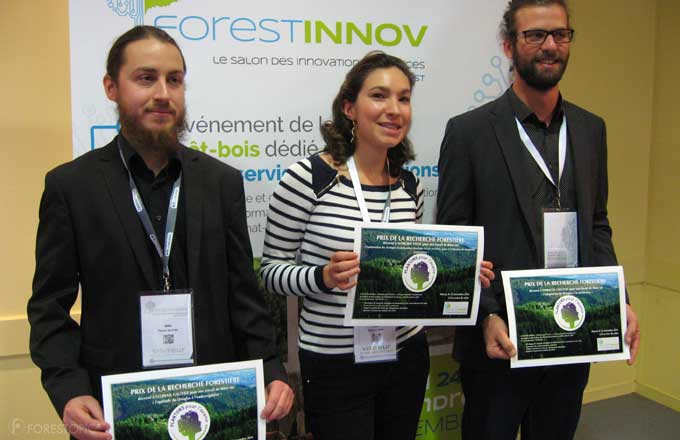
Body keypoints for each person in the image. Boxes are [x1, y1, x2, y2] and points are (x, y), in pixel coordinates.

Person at [27, 26, 293, 440]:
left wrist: (271, 369)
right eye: (146, 78)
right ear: (111, 88)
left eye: (175, 79)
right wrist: (67, 389)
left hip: (216, 401)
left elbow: (244, 293)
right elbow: (48, 306)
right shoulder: (71, 187)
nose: (163, 93)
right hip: (118, 408)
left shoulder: (220, 182)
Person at [260, 51, 494, 440]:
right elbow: (271, 272)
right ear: (350, 108)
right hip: (335, 361)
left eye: (404, 98)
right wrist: (324, 276)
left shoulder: (408, 185)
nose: (394, 109)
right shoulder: (309, 177)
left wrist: (461, 276)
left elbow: (411, 275)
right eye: (380, 96)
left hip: (405, 353)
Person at [436, 1, 641, 439]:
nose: (550, 46)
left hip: (572, 331)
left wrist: (618, 298)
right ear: (509, 45)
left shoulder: (590, 129)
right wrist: (485, 315)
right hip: (500, 340)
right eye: (535, 35)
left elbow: (598, 224)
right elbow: (456, 242)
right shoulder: (468, 132)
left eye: (560, 35)